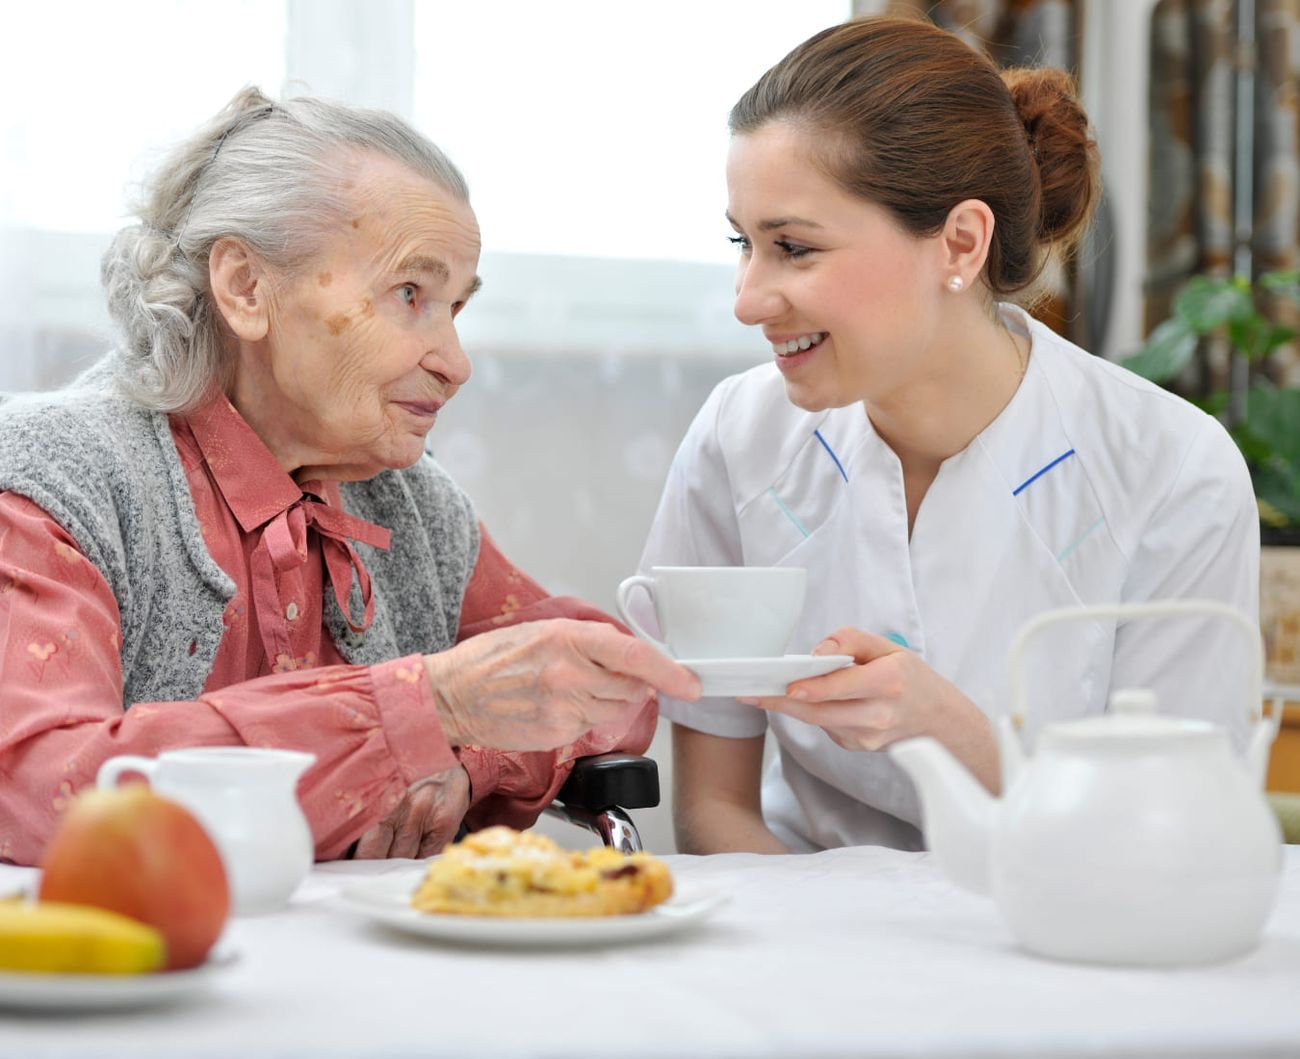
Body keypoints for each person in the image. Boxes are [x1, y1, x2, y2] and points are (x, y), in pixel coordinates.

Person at [0, 87, 700, 867]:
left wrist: (468, 758)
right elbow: (39, 782)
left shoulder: (409, 501)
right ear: (246, 288)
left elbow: (612, 681)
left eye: (455, 308)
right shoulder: (53, 479)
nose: (456, 363)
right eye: (410, 294)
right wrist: (426, 707)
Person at [636, 17, 1259, 855]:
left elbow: (1173, 833)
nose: (747, 298)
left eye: (793, 247)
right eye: (742, 244)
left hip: (1065, 915)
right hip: (793, 911)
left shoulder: (1173, 471)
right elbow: (716, 811)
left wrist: (949, 729)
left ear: (960, 242)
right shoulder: (737, 436)